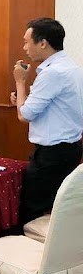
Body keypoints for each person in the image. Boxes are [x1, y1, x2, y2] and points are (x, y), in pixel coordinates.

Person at [11, 18, 83, 224]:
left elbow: (25, 115)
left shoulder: (52, 73)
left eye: (27, 42)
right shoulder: (72, 67)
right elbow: (54, 106)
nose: (24, 47)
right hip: (70, 147)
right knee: (60, 209)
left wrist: (20, 82)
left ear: (43, 43)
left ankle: (32, 245)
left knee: (32, 211)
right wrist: (23, 98)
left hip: (52, 154)